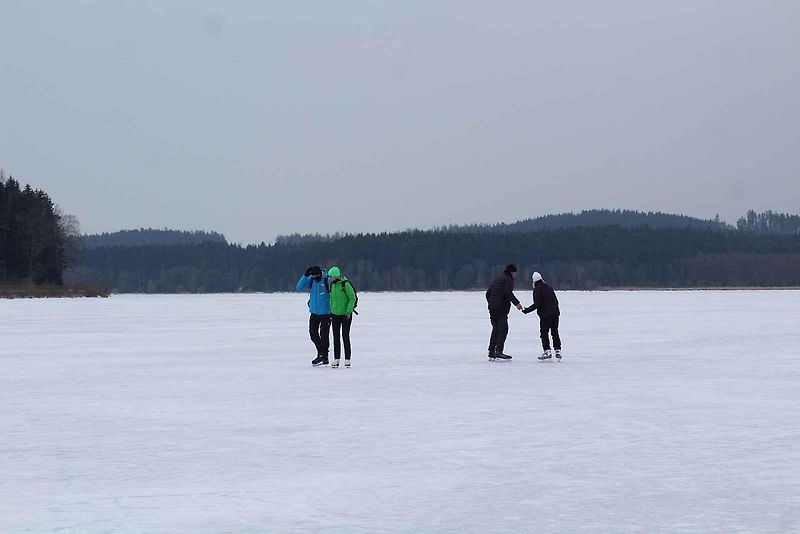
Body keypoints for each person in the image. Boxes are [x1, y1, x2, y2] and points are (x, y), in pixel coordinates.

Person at [485, 263, 523, 360]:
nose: (515, 275)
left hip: (492, 308)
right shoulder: (508, 280)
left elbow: (488, 293)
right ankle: (499, 351)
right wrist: (517, 303)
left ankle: (491, 351)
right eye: (515, 273)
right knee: (503, 329)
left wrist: (491, 303)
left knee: (495, 329)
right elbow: (507, 292)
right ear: (512, 272)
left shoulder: (497, 279)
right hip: (501, 309)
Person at [296, 265, 332, 367]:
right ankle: (322, 353)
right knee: (313, 334)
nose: (314, 277)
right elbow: (299, 287)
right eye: (312, 276)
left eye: (315, 276)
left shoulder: (326, 280)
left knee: (324, 335)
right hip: (314, 313)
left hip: (325, 313)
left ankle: (323, 356)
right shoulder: (311, 279)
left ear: (320, 273)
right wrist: (305, 275)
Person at [523, 271, 562, 361]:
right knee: (555, 332)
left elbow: (537, 304)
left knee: (544, 333)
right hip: (555, 313)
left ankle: (547, 351)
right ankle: (558, 350)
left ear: (534, 281)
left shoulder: (537, 289)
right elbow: (556, 301)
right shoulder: (549, 287)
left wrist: (527, 310)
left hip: (545, 315)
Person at [327, 266, 357, 368]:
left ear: (336, 276)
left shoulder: (345, 284)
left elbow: (352, 298)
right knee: (336, 337)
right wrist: (331, 310)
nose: (330, 278)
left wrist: (349, 311)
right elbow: (331, 298)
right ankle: (336, 359)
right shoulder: (332, 285)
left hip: (345, 315)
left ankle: (347, 359)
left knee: (345, 336)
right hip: (335, 314)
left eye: (331, 276)